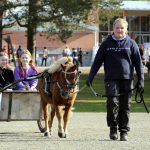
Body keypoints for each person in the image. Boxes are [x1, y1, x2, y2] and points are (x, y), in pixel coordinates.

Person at [86, 18, 144, 141]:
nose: (119, 30)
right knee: (112, 103)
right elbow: (97, 62)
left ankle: (123, 131)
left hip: (127, 79)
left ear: (126, 30)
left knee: (125, 105)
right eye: (117, 28)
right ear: (113, 29)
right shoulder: (106, 43)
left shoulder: (131, 43)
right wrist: (90, 77)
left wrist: (141, 80)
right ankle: (113, 129)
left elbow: (138, 63)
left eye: (122, 28)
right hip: (111, 79)